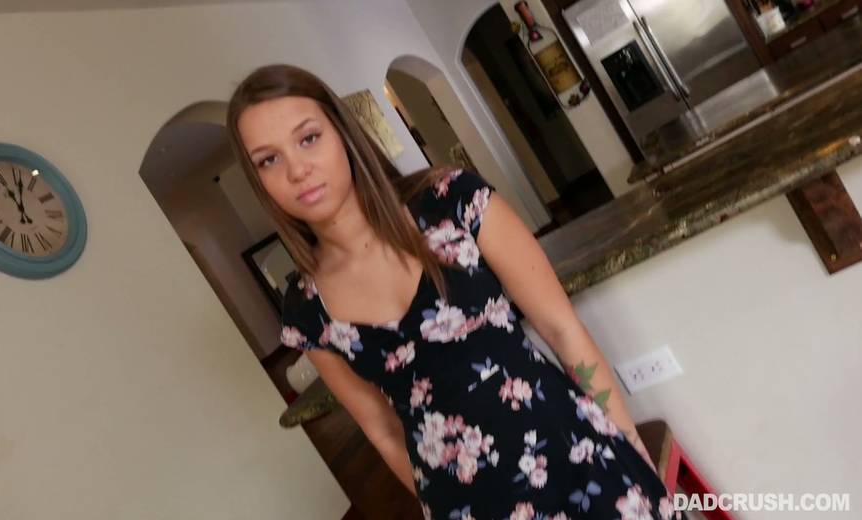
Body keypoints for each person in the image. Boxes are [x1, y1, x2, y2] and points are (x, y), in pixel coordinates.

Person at [227, 64, 679, 520]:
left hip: (577, 459)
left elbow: (562, 329)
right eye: (268, 160)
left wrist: (630, 446)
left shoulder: (452, 202)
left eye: (308, 138)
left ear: (342, 133)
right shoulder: (306, 311)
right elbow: (382, 430)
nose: (297, 170)